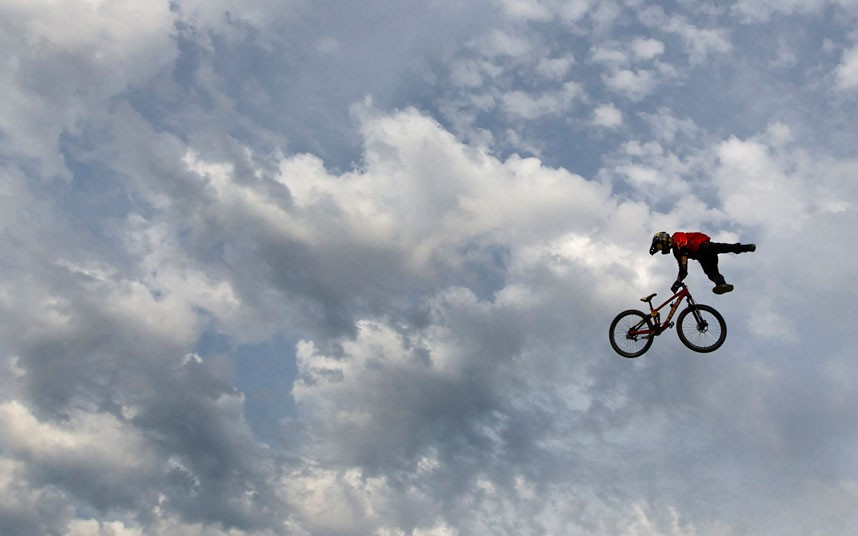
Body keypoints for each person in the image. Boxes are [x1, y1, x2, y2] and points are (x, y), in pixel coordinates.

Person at [649, 231, 756, 294]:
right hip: (702, 256)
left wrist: (683, 266)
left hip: (703, 247)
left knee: (725, 247)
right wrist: (678, 281)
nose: (661, 248)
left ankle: (746, 247)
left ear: (663, 239)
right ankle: (721, 284)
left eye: (659, 246)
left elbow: (684, 248)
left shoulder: (677, 236)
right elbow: (683, 270)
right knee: (712, 273)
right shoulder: (676, 252)